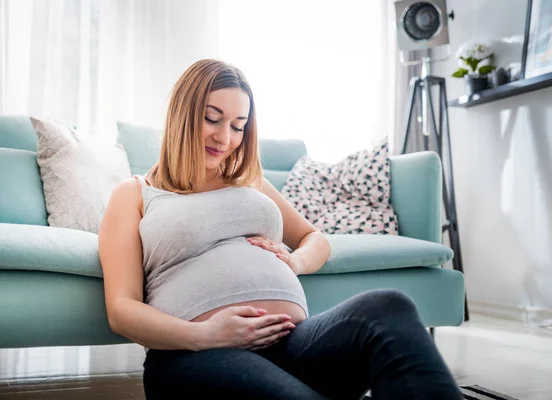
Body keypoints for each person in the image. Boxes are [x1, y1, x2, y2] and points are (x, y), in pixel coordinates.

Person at [98, 59, 463, 400]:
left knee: (388, 306)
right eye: (213, 118)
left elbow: (314, 238)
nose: (225, 138)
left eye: (238, 126)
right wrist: (204, 334)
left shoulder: (249, 183)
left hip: (295, 346)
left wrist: (296, 263)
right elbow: (122, 308)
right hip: (194, 354)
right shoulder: (134, 194)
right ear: (183, 114)